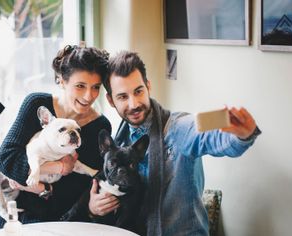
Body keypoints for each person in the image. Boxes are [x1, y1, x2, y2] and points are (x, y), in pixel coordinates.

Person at [100, 51, 261, 236]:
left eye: (138, 91)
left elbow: (211, 137)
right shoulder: (118, 142)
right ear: (111, 100)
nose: (134, 103)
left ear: (148, 86)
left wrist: (241, 135)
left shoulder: (179, 128)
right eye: (122, 97)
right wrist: (95, 206)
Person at [0, 45, 118, 229]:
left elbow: (80, 188)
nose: (88, 96)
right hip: (16, 217)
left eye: (95, 87)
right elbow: (6, 159)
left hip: (63, 221)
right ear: (61, 81)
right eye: (80, 86)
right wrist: (61, 167)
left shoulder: (100, 126)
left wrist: (42, 188)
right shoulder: (37, 104)